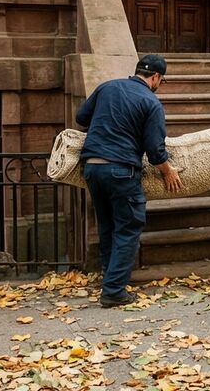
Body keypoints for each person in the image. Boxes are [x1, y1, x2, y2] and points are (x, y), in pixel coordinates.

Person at [75, 54, 183, 307]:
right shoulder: (150, 102)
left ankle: (109, 280)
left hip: (91, 167)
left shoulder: (107, 87)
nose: (159, 85)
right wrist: (168, 171)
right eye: (162, 81)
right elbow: (156, 151)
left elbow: (81, 118)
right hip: (121, 171)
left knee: (108, 227)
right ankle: (113, 291)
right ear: (155, 77)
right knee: (128, 228)